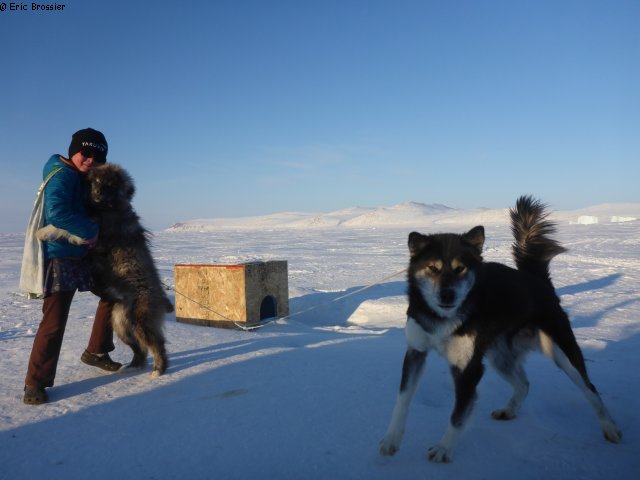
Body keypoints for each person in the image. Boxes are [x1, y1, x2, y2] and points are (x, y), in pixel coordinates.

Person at [23, 128, 122, 405]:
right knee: (54, 320)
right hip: (61, 255)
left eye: (97, 156)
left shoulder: (79, 177)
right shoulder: (64, 175)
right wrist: (92, 232)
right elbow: (58, 213)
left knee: (113, 293)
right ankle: (35, 382)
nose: (90, 160)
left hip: (80, 253)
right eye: (85, 153)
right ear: (73, 151)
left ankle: (97, 351)